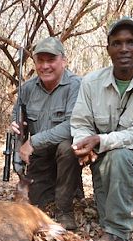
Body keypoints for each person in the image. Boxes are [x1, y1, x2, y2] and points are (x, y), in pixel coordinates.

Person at [71, 17, 133, 241]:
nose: (124, 49)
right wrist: (84, 143)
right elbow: (80, 122)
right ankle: (108, 218)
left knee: (118, 158)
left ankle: (120, 231)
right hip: (103, 147)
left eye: (131, 42)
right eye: (117, 43)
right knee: (99, 158)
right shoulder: (91, 82)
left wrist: (101, 141)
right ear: (108, 49)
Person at [11, 37, 82, 230]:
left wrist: (33, 141)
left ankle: (64, 210)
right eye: (40, 61)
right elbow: (17, 114)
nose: (45, 66)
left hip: (63, 152)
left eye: (51, 60)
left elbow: (72, 125)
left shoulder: (77, 85)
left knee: (68, 147)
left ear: (63, 61)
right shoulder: (27, 88)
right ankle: (61, 188)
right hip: (40, 156)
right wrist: (16, 125)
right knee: (36, 202)